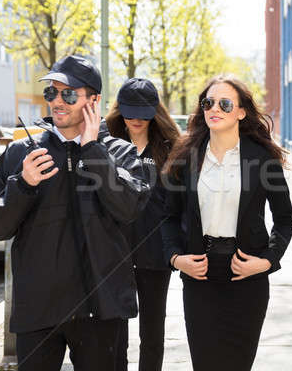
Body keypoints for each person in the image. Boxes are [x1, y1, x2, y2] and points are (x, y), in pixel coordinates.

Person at [0, 55, 151, 371]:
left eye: (68, 94)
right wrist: (23, 184)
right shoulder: (21, 153)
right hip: (38, 313)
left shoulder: (120, 153)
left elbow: (129, 208)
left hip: (102, 310)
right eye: (51, 93)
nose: (57, 101)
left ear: (93, 101)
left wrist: (94, 152)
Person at [161, 75, 292, 371]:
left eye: (225, 103)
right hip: (200, 277)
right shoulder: (186, 157)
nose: (215, 109)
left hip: (246, 278)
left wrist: (267, 261)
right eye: (208, 102)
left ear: (241, 112)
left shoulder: (263, 159)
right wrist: (175, 258)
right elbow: (168, 217)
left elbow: (286, 219)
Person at [105, 77, 180, 371]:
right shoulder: (105, 144)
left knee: (152, 333)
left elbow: (178, 205)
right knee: (115, 335)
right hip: (114, 254)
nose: (135, 119)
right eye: (129, 111)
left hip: (155, 255)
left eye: (142, 112)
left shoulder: (170, 148)